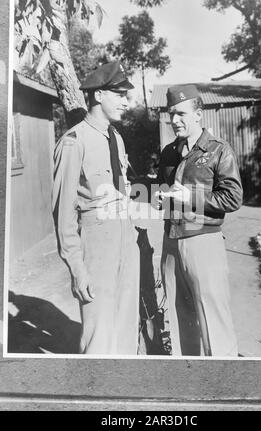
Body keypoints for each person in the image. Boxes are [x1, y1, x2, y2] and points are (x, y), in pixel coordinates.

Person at [52, 61, 140, 355]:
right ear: (99, 95)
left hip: (125, 239)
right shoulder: (73, 142)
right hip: (97, 244)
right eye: (119, 94)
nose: (126, 102)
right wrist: (78, 270)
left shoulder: (116, 137)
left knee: (127, 328)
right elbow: (64, 217)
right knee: (99, 335)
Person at [157, 84, 243, 357]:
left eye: (181, 114)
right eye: (171, 114)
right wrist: (161, 199)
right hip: (171, 243)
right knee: (179, 317)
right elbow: (164, 191)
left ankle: (223, 382)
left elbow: (232, 198)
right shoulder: (169, 152)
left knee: (213, 319)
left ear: (198, 114)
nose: (174, 121)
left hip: (204, 242)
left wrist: (191, 197)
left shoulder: (219, 150)